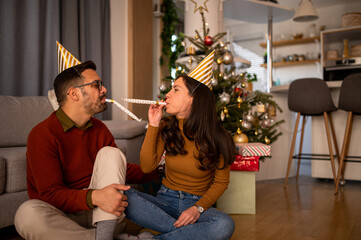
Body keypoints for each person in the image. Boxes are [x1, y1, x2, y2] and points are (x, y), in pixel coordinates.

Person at [14, 60, 157, 240]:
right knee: (26, 214)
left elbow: (121, 170)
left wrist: (160, 169)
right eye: (97, 85)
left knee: (112, 154)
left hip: (102, 216)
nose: (104, 90)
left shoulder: (99, 129)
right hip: (62, 217)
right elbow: (51, 194)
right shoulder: (42, 134)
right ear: (74, 93)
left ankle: (103, 235)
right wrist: (95, 197)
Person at [123, 69, 236, 240]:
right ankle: (189, 234)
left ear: (193, 99)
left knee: (225, 224)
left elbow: (221, 182)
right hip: (164, 201)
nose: (167, 94)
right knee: (123, 196)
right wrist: (153, 124)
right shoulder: (166, 126)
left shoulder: (219, 137)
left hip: (197, 205)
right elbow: (147, 167)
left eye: (176, 89)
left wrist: (197, 209)